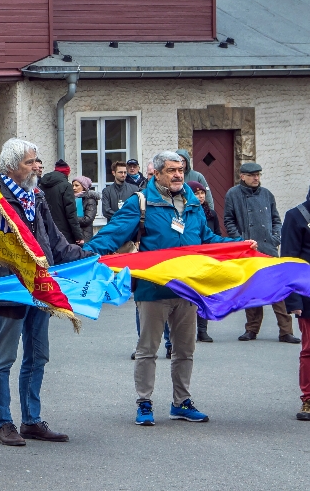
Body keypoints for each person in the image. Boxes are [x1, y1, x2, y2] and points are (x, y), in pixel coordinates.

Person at [86, 150, 233, 425]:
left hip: (187, 289)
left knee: (185, 351)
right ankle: (144, 403)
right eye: (172, 170)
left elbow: (206, 238)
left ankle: (181, 403)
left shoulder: (191, 201)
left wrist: (235, 246)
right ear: (157, 173)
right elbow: (113, 233)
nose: (178, 174)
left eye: (181, 169)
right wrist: (86, 252)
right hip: (153, 290)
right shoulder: (141, 202)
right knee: (147, 350)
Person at [0, 139, 86, 446]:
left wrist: (94, 255)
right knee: (3, 360)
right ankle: (3, 423)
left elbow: (54, 241)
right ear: (12, 166)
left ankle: (31, 420)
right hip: (9, 288)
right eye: (30, 162)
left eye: (35, 161)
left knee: (37, 356)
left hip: (40, 287)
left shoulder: (35, 196)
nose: (36, 166)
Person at [224, 162, 299, 344]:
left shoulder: (267, 194)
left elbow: (276, 219)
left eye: (258, 175)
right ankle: (251, 329)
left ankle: (285, 331)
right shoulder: (233, 194)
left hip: (269, 249)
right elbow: (229, 220)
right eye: (252, 175)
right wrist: (241, 240)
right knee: (252, 291)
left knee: (279, 291)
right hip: (249, 249)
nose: (256, 178)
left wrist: (275, 238)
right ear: (242, 176)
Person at [281, 184, 310, 421]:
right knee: (309, 351)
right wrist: (293, 299)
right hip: (308, 295)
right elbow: (289, 260)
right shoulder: (297, 216)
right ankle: (308, 399)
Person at [186, 182, 215, 343]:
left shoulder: (211, 214)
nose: (201, 196)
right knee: (190, 295)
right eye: (197, 193)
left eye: (202, 193)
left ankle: (202, 330)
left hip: (207, 258)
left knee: (203, 295)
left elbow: (214, 236)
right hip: (192, 258)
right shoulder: (187, 213)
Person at [39, 160, 80, 245]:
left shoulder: (41, 185)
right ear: (67, 173)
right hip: (63, 233)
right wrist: (78, 236)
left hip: (46, 230)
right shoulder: (66, 186)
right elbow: (71, 213)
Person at [72, 176, 99, 243]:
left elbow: (87, 219)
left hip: (85, 236)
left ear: (84, 186)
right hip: (75, 234)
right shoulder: (73, 199)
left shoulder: (90, 200)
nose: (74, 188)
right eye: (73, 185)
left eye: (77, 185)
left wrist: (71, 218)